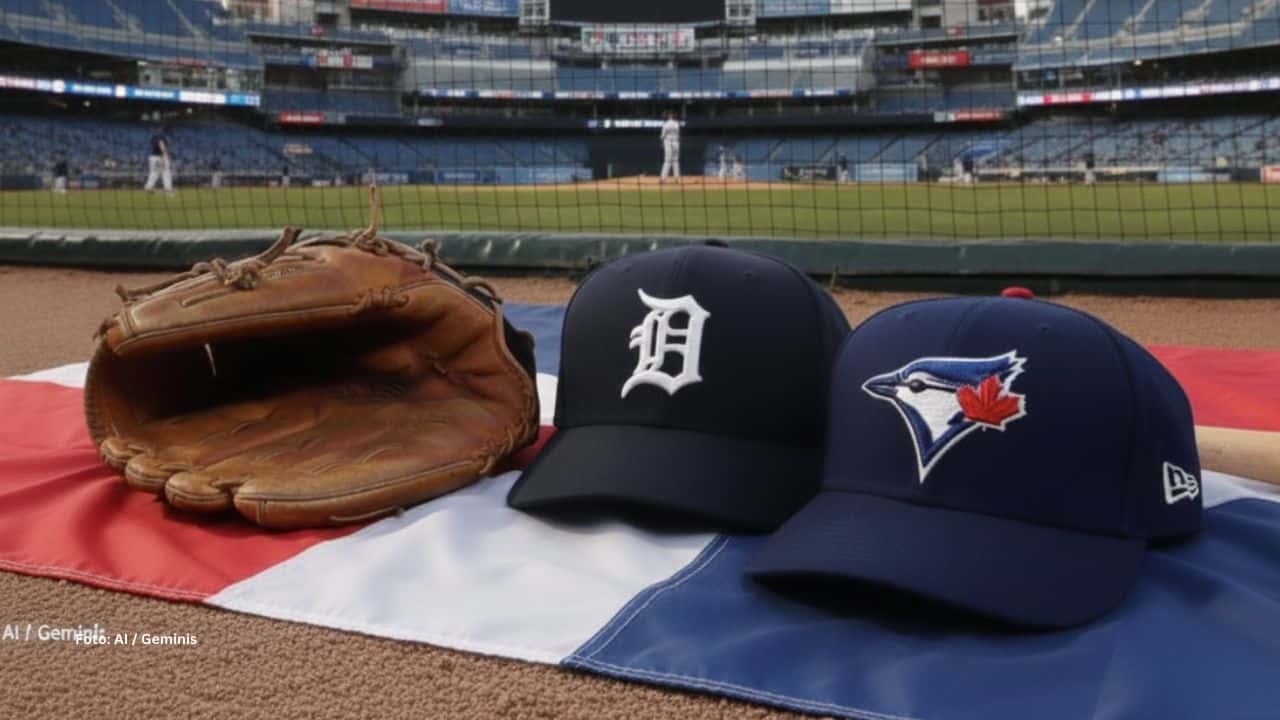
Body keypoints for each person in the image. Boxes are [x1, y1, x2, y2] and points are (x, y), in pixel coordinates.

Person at [144, 127, 175, 196]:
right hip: (160, 157)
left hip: (152, 157)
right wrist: (166, 156)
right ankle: (168, 190)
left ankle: (148, 187)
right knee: (166, 173)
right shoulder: (161, 137)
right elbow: (162, 146)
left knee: (154, 173)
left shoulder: (153, 138)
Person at [659, 111, 680, 182]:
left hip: (668, 142)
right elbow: (678, 134)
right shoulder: (676, 124)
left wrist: (662, 143)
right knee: (675, 160)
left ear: (669, 116)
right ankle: (677, 178)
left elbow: (662, 135)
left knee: (667, 160)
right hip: (676, 142)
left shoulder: (666, 124)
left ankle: (662, 178)